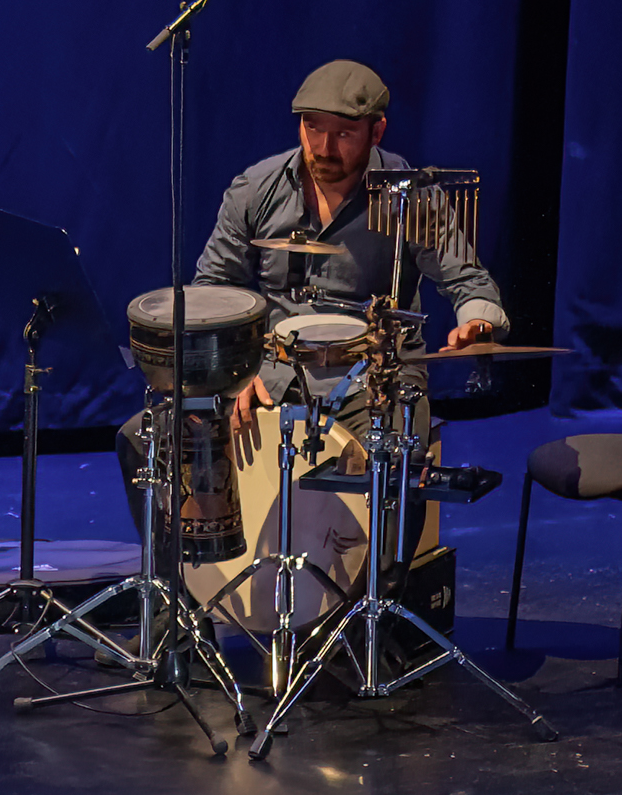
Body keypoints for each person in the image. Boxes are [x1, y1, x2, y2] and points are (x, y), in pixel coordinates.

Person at [116, 60, 512, 543]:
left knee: (397, 462)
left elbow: (467, 278)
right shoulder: (257, 189)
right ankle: (177, 583)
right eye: (312, 128)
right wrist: (235, 373)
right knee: (142, 438)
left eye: (343, 134)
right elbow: (212, 291)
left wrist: (476, 322)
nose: (323, 148)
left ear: (377, 131)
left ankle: (380, 589)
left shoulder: (409, 196)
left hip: (373, 376)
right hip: (272, 369)